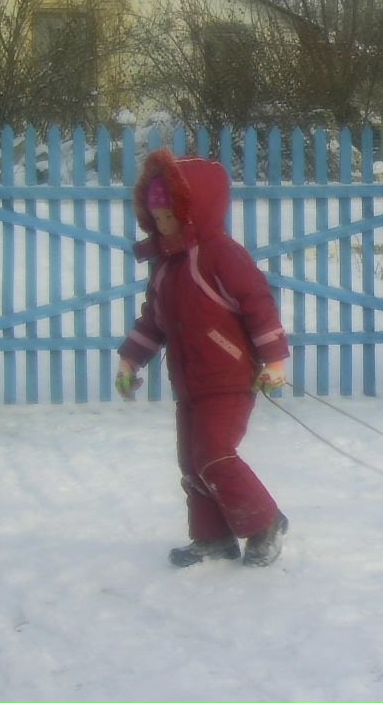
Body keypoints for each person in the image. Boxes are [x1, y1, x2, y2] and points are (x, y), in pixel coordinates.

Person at [115, 148, 291, 568]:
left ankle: (265, 522)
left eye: (169, 217)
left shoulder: (221, 254)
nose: (162, 226)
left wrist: (274, 360)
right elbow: (153, 320)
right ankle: (213, 537)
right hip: (190, 383)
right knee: (191, 462)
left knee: (214, 454)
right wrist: (129, 361)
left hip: (229, 379)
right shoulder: (166, 265)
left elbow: (258, 304)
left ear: (194, 210)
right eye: (156, 219)